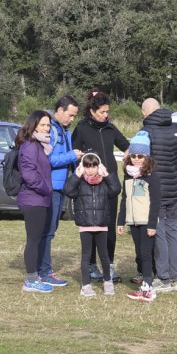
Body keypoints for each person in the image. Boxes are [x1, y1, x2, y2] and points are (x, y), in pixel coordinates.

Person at [70, 88, 129, 282]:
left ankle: (108, 265)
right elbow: (75, 155)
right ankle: (91, 266)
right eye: (102, 112)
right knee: (90, 227)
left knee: (108, 227)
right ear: (92, 111)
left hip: (109, 186)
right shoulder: (81, 129)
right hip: (88, 189)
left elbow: (127, 147)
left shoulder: (111, 128)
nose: (106, 115)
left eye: (107, 111)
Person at [140, 96, 177, 293]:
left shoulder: (146, 133)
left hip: (155, 191)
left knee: (158, 232)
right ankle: (176, 277)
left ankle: (164, 278)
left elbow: (140, 165)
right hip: (174, 190)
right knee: (172, 232)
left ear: (145, 112)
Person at [37, 95, 81, 287]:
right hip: (51, 189)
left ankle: (43, 269)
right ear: (60, 111)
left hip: (60, 188)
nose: (72, 119)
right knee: (47, 232)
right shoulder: (53, 131)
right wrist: (71, 155)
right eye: (70, 115)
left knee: (50, 230)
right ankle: (43, 271)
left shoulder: (65, 131)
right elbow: (49, 160)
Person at [62, 152, 121, 297]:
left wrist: (106, 174)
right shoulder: (80, 182)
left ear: (98, 166)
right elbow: (68, 190)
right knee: (86, 255)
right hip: (86, 224)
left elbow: (116, 189)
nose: (90, 170)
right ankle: (86, 285)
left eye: (93, 166)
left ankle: (108, 281)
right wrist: (76, 176)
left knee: (104, 255)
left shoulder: (104, 183)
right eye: (87, 166)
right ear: (83, 167)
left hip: (101, 224)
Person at [117, 132, 161, 302]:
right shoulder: (128, 176)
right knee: (140, 253)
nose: (136, 159)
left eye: (140, 156)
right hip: (133, 222)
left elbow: (156, 202)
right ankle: (145, 284)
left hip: (146, 222)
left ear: (147, 157)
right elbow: (124, 199)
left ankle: (148, 288)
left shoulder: (152, 177)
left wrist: (152, 225)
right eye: (133, 156)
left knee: (146, 254)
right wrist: (121, 221)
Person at [16, 110, 54, 293]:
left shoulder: (40, 145)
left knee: (37, 239)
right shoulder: (31, 146)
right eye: (43, 125)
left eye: (48, 125)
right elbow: (29, 175)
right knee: (33, 240)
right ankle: (30, 280)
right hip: (33, 200)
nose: (47, 128)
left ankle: (34, 276)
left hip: (40, 199)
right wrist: (46, 189)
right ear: (34, 126)